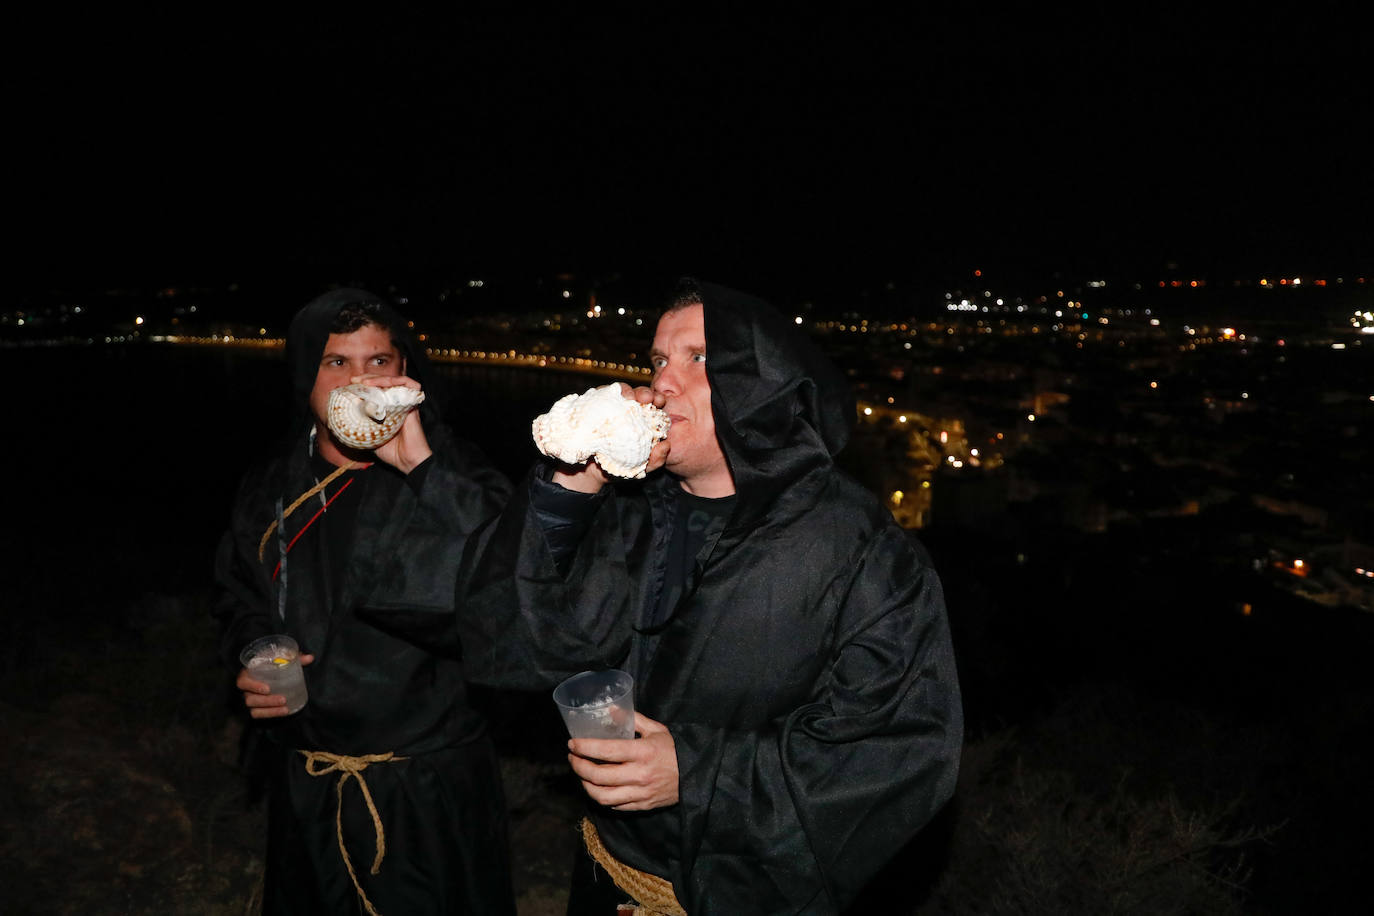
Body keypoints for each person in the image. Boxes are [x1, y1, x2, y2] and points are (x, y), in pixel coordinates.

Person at [460, 278, 963, 914]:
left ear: (762, 383)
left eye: (698, 359)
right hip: (603, 878)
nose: (663, 381)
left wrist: (699, 775)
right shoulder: (631, 512)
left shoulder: (859, 549)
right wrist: (571, 487)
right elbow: (514, 642)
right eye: (657, 361)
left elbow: (903, 752)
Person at [213, 288, 516, 915]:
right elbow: (239, 591)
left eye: (378, 362)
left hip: (426, 788)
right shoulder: (271, 482)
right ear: (306, 378)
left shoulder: (453, 472)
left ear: (405, 374)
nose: (359, 381)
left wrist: (423, 467)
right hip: (309, 778)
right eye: (337, 363)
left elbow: (514, 585)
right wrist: (248, 651)